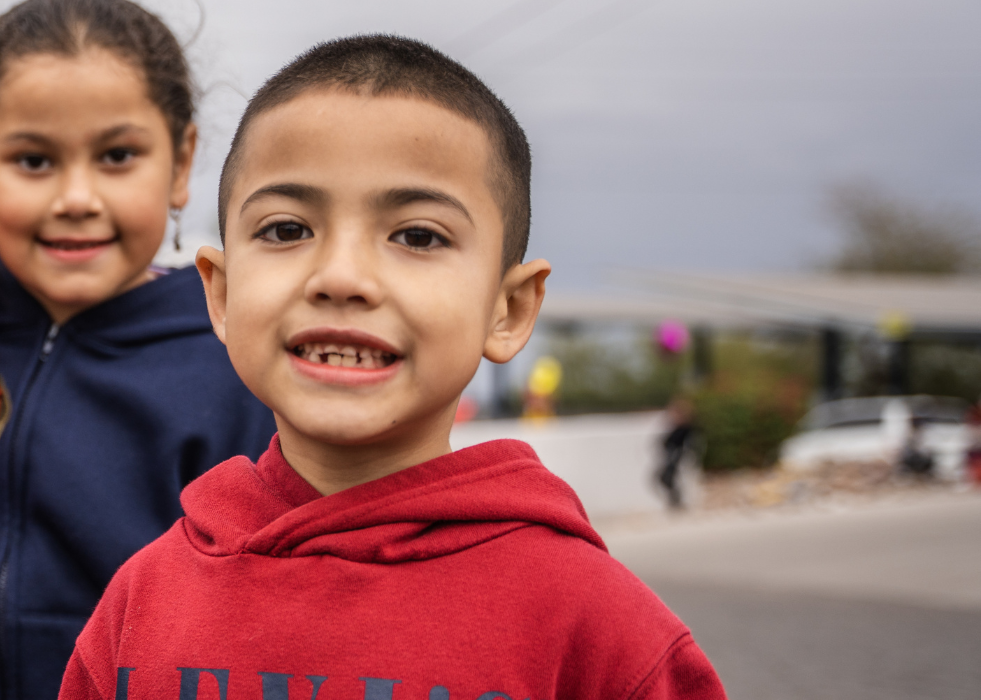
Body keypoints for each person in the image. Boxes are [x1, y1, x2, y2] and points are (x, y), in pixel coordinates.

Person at [60, 36, 725, 700]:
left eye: (416, 236)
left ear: (509, 308)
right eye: (288, 229)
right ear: (223, 294)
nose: (342, 277)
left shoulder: (594, 626)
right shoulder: (143, 599)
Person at [0, 3, 278, 698]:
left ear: (182, 161)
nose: (76, 197)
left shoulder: (236, 364)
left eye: (117, 157)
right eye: (33, 160)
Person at [656, 397, 697, 510]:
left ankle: (677, 502)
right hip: (673, 457)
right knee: (666, 479)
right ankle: (675, 501)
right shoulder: (677, 428)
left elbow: (683, 445)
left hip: (677, 458)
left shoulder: (685, 428)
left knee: (671, 478)